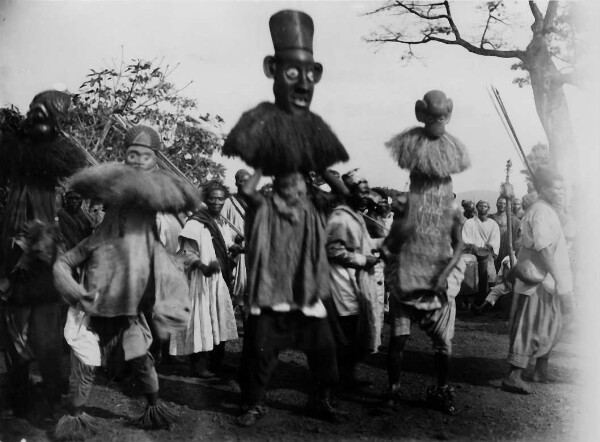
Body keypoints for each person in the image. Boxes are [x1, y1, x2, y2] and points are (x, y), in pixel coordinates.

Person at [222, 9, 349, 427]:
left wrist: (338, 182)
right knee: (262, 338)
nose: (302, 83)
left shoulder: (314, 187)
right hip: (274, 250)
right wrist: (263, 162)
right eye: (292, 72)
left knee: (324, 342)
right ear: (273, 70)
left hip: (307, 254)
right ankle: (254, 402)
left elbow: (338, 184)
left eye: (309, 74)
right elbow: (245, 188)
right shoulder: (265, 200)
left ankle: (321, 399)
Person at [52, 125, 199, 437]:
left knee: (140, 359)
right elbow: (65, 262)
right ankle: (76, 415)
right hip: (94, 309)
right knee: (84, 363)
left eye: (145, 155)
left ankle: (154, 407)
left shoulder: (146, 236)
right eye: (132, 154)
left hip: (126, 310)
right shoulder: (98, 237)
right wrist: (71, 287)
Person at [0, 90, 87, 417]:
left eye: (49, 115)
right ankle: (20, 391)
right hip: (12, 251)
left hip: (42, 256)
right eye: (37, 111)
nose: (40, 118)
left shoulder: (51, 162)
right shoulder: (12, 152)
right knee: (13, 328)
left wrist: (34, 244)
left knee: (44, 332)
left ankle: (51, 395)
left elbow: (46, 221)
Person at [381, 90, 469, 415]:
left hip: (439, 285)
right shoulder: (406, 206)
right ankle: (392, 389)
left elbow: (459, 245)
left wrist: (444, 275)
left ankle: (442, 389)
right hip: (408, 279)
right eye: (431, 117)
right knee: (398, 341)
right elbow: (393, 239)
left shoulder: (454, 211)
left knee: (443, 344)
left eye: (442, 117)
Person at [501, 168, 573, 394]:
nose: (561, 192)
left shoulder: (548, 210)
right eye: (556, 188)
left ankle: (540, 370)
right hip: (538, 281)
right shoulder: (540, 211)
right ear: (543, 189)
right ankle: (513, 376)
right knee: (529, 327)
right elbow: (543, 249)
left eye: (563, 187)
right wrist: (560, 280)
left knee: (553, 324)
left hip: (547, 280)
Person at [169, 181, 240, 378]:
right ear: (205, 200)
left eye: (220, 198)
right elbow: (186, 253)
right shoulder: (195, 223)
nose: (217, 202)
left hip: (220, 280)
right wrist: (203, 267)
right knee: (201, 319)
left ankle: (216, 364)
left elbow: (225, 247)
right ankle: (199, 366)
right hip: (201, 280)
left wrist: (235, 248)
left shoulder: (220, 222)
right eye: (212, 198)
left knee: (219, 318)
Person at [325, 171, 380, 387]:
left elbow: (365, 243)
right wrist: (363, 260)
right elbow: (333, 251)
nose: (366, 196)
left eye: (368, 192)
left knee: (357, 331)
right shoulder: (340, 217)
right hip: (341, 281)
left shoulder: (355, 216)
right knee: (346, 331)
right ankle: (336, 380)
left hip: (356, 281)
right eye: (361, 192)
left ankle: (345, 375)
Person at [462, 200, 501, 307]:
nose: (483, 208)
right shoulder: (469, 222)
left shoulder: (493, 224)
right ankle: (468, 302)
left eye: (485, 206)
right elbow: (465, 237)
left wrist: (489, 246)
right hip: (472, 253)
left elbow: (495, 239)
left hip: (486, 254)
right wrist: (472, 245)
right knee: (469, 278)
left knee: (486, 277)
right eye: (480, 206)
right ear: (477, 208)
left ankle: (482, 302)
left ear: (488, 208)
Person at [222, 169, 250, 306]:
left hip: (253, 250)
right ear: (236, 183)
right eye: (242, 181)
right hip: (237, 251)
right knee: (235, 289)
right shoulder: (229, 203)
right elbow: (222, 225)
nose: (245, 184)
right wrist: (235, 237)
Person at [489, 196, 521, 272]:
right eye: (500, 203)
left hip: (508, 251)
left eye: (504, 203)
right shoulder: (489, 218)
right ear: (496, 204)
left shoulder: (514, 220)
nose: (502, 205)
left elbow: (519, 237)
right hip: (492, 250)